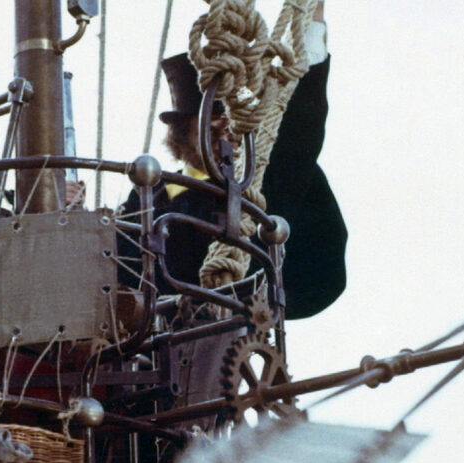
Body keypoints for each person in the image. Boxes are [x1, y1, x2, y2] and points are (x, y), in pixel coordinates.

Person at [119, 1, 346, 320]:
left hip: (237, 328)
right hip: (159, 336)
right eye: (209, 118)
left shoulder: (260, 181)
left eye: (228, 116)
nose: (222, 126)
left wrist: (311, 18)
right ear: (183, 132)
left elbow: (300, 128)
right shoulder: (147, 197)